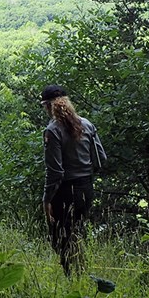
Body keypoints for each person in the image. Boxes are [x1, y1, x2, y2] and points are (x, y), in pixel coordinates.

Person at [41, 85, 106, 276]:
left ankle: (72, 278)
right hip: (86, 188)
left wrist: (46, 200)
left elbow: (55, 172)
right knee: (77, 233)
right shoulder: (87, 125)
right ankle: (82, 274)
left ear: (47, 106)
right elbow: (101, 159)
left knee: (61, 238)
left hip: (64, 192)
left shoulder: (52, 131)